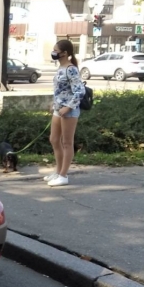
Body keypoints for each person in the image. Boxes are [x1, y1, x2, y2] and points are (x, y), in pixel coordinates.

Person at [46, 39, 85, 187]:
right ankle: (57, 172)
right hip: (58, 108)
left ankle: (63, 175)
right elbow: (60, 90)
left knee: (67, 143)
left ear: (65, 53)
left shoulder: (71, 69)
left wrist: (68, 108)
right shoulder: (60, 68)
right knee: (54, 139)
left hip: (69, 111)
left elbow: (79, 91)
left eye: (56, 50)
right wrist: (54, 103)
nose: (53, 52)